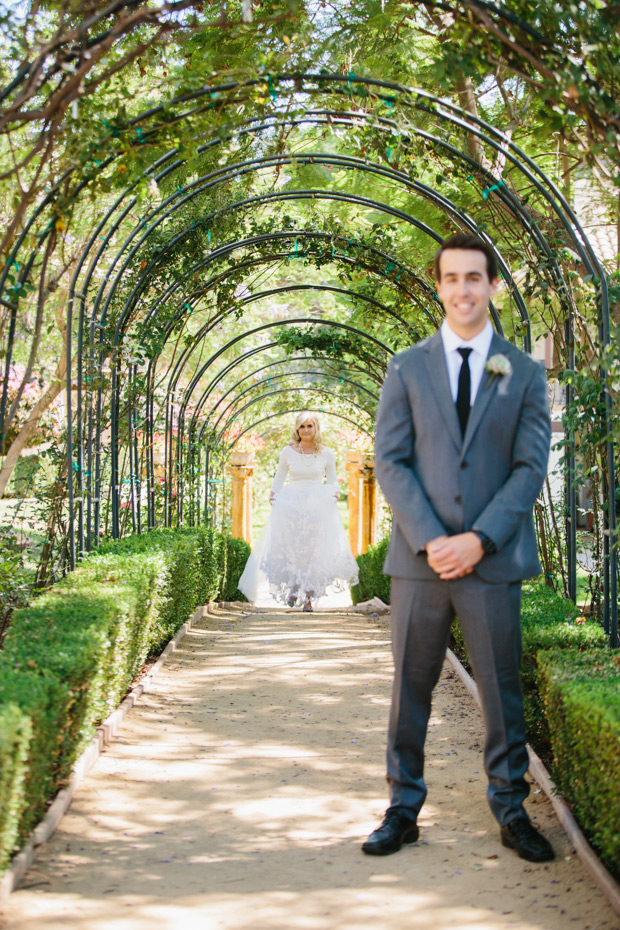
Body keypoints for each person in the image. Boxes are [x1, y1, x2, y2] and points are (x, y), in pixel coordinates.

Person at [363, 233, 553, 863]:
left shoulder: (523, 372)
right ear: (439, 286)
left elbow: (529, 467)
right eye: (452, 278)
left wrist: (479, 539)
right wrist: (434, 539)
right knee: (409, 686)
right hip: (420, 563)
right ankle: (401, 809)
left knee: (501, 686)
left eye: (476, 278)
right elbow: (389, 460)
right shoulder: (406, 367)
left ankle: (511, 809)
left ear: (493, 286)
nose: (464, 290)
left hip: (492, 560)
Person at [238, 413, 359, 611]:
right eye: (302, 426)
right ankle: (294, 587)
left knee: (313, 549)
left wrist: (334, 494)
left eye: (310, 426)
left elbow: (332, 480)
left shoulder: (327, 453)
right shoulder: (288, 451)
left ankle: (310, 596)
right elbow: (279, 476)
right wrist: (273, 494)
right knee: (293, 546)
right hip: (291, 503)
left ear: (316, 428)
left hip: (317, 505)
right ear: (297, 429)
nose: (306, 430)